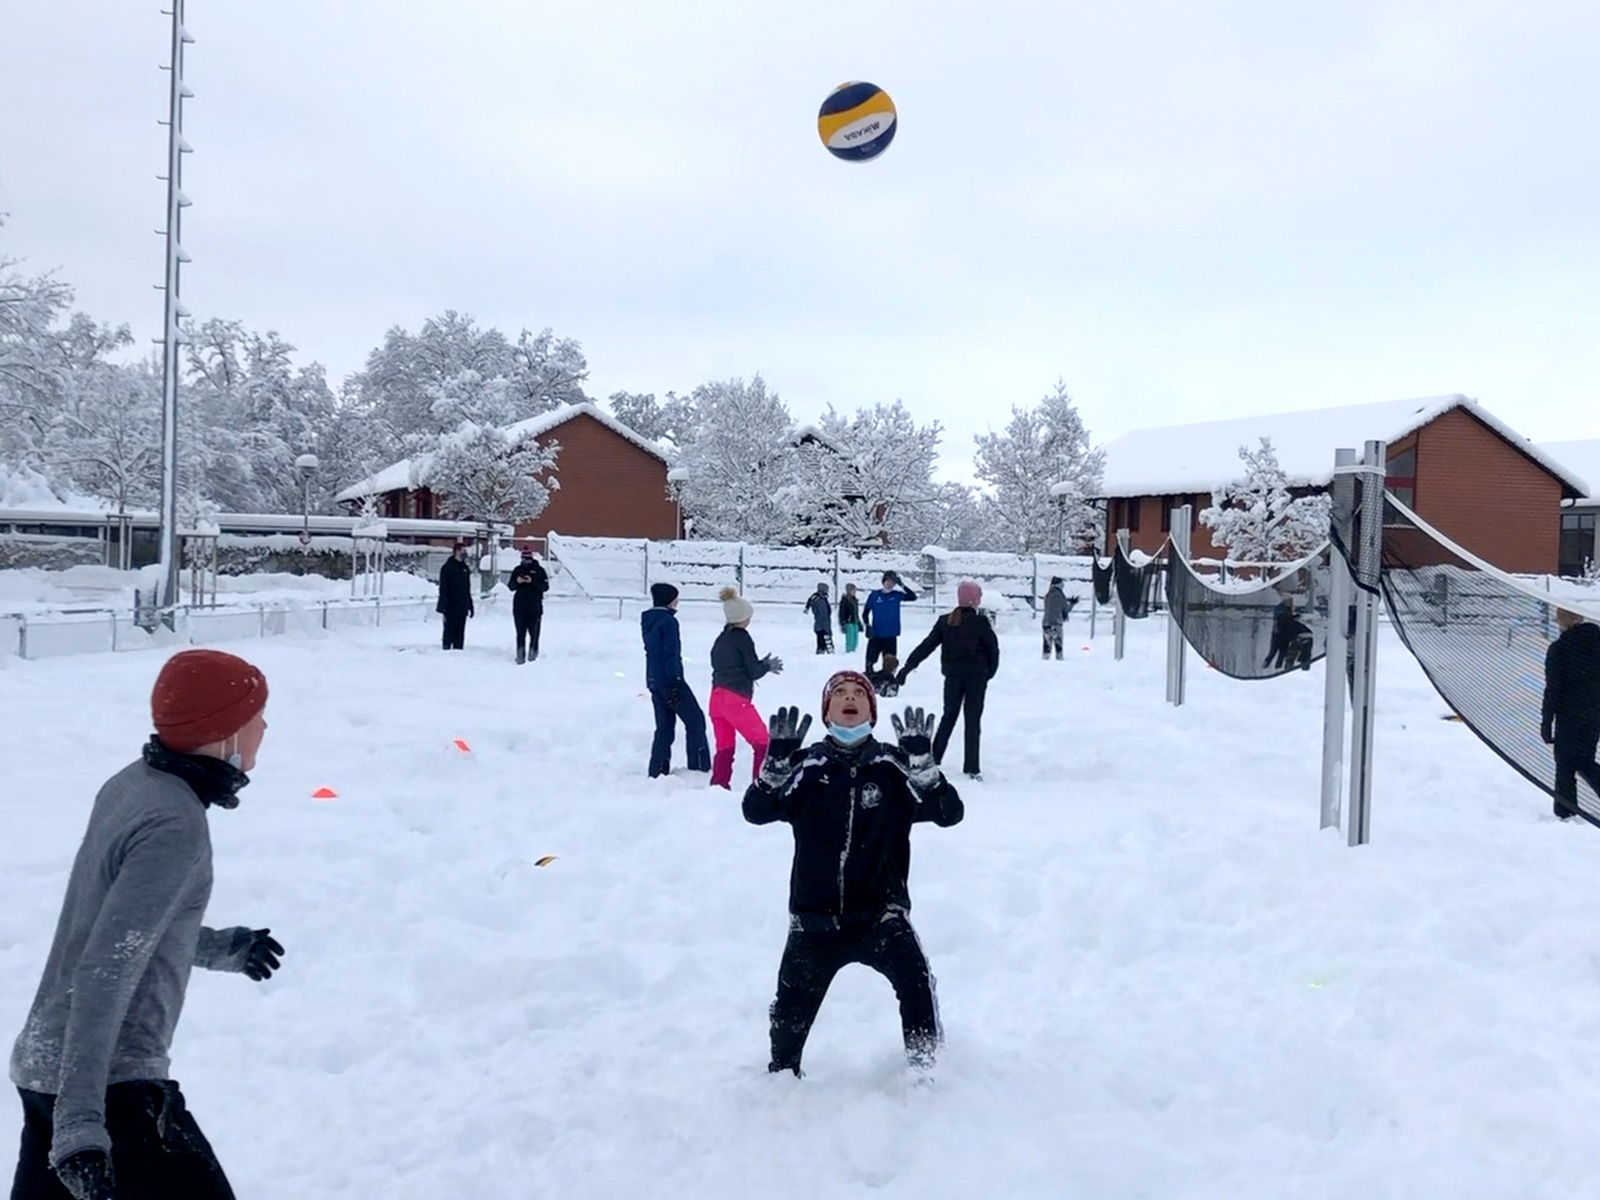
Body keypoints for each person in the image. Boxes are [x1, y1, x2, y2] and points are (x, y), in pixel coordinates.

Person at [9, 649, 282, 1200]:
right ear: (224, 731)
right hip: (108, 1087)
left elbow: (118, 927)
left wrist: (223, 948)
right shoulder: (175, 823)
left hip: (49, 1066)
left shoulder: (134, 784)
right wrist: (82, 1124)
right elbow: (105, 971)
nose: (265, 727)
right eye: (256, 715)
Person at [743, 675, 963, 1077]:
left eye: (859, 694)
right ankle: (781, 1083)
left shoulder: (895, 766)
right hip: (814, 921)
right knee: (789, 1020)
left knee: (915, 982)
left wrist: (926, 770)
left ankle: (926, 1072)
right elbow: (756, 811)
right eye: (840, 695)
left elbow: (950, 814)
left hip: (880, 917)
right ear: (826, 711)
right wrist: (773, 770)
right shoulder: (806, 765)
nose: (849, 699)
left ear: (871, 712)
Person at [898, 579, 1000, 781]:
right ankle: (972, 768)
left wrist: (907, 668)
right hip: (976, 679)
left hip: (953, 678)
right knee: (972, 722)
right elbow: (993, 651)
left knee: (948, 718)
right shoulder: (981, 622)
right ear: (974, 601)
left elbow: (926, 646)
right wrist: (989, 673)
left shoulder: (946, 621)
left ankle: (934, 760)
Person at [708, 587, 783, 789]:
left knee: (724, 747)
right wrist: (766, 665)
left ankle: (718, 785)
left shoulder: (721, 639)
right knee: (762, 743)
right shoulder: (742, 637)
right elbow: (752, 671)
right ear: (743, 617)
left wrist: (760, 664)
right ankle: (761, 787)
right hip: (735, 700)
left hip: (716, 699)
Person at [641, 583, 711, 778]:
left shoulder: (648, 620)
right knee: (695, 720)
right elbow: (671, 653)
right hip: (671, 681)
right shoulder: (669, 622)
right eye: (675, 599)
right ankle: (698, 768)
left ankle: (657, 769)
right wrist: (675, 681)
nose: (677, 602)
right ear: (669, 600)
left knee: (664, 727)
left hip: (654, 680)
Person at [1542, 608, 1600, 821]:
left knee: (1565, 763)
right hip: (1595, 713)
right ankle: (1565, 810)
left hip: (1569, 715)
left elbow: (1553, 690)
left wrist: (1546, 722)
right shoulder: (1597, 642)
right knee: (1584, 760)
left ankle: (1564, 811)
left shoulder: (1559, 649)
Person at [862, 571, 918, 673]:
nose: (890, 584)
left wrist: (902, 585)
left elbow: (913, 597)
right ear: (883, 582)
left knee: (890, 665)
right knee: (870, 663)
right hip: (876, 635)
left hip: (890, 636)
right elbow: (865, 613)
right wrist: (867, 625)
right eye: (888, 581)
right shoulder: (874, 595)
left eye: (893, 582)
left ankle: (888, 683)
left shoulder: (896, 595)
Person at [506, 546, 550, 664]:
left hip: (534, 608)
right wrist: (517, 581)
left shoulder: (540, 571)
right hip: (519, 608)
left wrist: (532, 581)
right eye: (524, 559)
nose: (526, 561)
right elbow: (510, 586)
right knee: (520, 633)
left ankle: (533, 656)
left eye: (528, 559)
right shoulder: (517, 570)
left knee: (534, 634)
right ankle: (520, 656)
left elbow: (545, 587)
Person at [436, 541, 475, 651]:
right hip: (450, 607)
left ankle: (458, 652)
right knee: (449, 632)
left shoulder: (465, 568)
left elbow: (467, 588)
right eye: (463, 551)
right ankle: (446, 651)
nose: (465, 553)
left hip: (462, 607)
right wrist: (443, 606)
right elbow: (443, 588)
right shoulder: (447, 568)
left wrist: (470, 605)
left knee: (460, 633)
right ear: (456, 552)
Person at [1263, 595, 1314, 672]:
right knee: (1276, 651)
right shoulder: (1280, 611)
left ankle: (1279, 667)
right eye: (1290, 601)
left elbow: (1287, 621)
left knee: (1283, 652)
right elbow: (1283, 620)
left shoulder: (1286, 612)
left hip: (1287, 634)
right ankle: (1273, 666)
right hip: (1282, 634)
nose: (1292, 603)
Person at [1041, 576, 1076, 661]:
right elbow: (1066, 610)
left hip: (1046, 624)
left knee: (1047, 647)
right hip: (1056, 624)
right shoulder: (1060, 596)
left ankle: (1044, 664)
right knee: (1058, 647)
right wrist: (1072, 603)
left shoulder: (1047, 595)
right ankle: (1059, 665)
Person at [803, 582, 834, 654]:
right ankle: (826, 653)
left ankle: (820, 651)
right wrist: (827, 628)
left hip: (818, 625)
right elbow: (824, 615)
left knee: (820, 641)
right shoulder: (821, 601)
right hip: (823, 626)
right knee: (826, 641)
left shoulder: (815, 599)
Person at [838, 583, 863, 656]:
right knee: (850, 640)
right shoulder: (844, 601)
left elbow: (856, 613)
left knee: (855, 640)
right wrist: (843, 623)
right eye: (853, 590)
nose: (855, 592)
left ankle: (854, 652)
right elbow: (841, 613)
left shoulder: (855, 600)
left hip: (855, 621)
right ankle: (849, 653)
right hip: (848, 622)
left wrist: (859, 623)